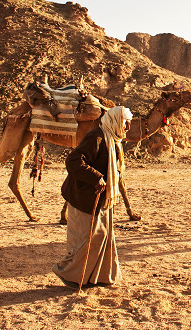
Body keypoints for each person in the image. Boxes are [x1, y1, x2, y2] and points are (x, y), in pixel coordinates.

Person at [53, 106, 133, 288]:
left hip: (101, 199)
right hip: (85, 196)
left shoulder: (113, 139)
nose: (127, 127)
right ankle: (70, 275)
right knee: (86, 239)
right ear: (115, 121)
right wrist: (96, 177)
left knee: (102, 236)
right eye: (125, 123)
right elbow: (73, 161)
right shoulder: (96, 137)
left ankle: (98, 277)